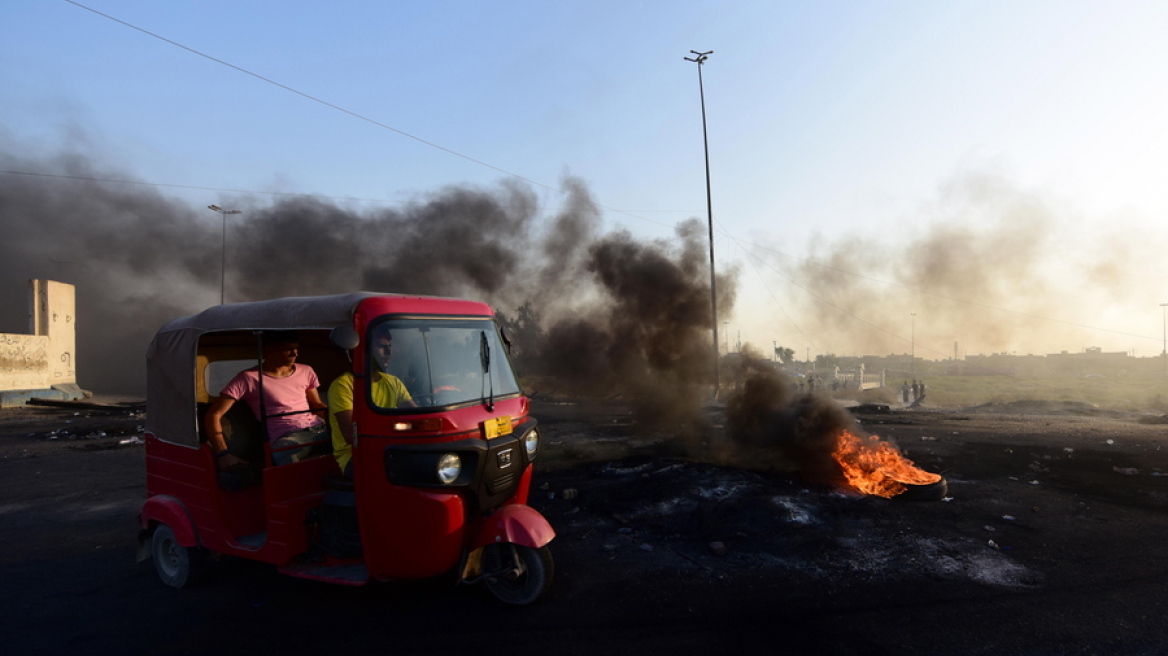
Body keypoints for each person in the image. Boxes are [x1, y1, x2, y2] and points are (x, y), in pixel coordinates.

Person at [205, 331, 328, 470]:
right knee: (285, 454)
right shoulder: (248, 378)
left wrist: (338, 423)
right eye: (287, 349)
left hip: (319, 429)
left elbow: (317, 405)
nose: (295, 354)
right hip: (288, 437)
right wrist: (223, 454)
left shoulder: (306, 370)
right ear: (269, 349)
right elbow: (213, 415)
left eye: (296, 348)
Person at [328, 330, 416, 478]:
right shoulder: (343, 385)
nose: (389, 352)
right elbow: (352, 435)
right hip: (355, 457)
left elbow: (414, 414)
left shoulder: (393, 382)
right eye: (382, 347)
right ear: (363, 351)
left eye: (390, 346)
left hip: (391, 448)